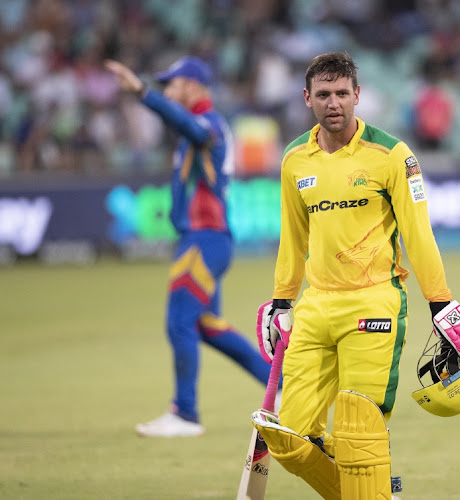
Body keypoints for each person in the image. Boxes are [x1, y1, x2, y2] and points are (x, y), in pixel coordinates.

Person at [250, 52, 460, 500]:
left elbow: (418, 234)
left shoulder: (393, 156)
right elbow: (293, 237)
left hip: (375, 301)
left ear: (357, 95)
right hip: (315, 307)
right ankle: (377, 491)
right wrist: (281, 300)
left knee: (358, 432)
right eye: (323, 95)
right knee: (290, 441)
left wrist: (441, 302)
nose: (333, 103)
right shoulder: (295, 160)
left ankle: (370, 484)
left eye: (342, 93)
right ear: (307, 98)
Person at [105, 56, 272, 438]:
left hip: (204, 239)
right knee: (205, 326)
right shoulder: (201, 127)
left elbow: (189, 127)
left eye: (172, 84)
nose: (168, 90)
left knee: (179, 320)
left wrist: (143, 93)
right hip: (205, 240)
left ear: (194, 87)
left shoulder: (207, 124)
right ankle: (279, 388)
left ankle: (185, 413)